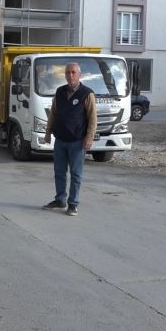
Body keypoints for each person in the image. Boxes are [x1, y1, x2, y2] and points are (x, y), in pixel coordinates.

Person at [41, 62, 97, 216]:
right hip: (60, 141)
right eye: (68, 73)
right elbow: (53, 113)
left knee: (76, 174)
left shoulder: (87, 94)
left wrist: (89, 138)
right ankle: (60, 200)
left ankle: (73, 204)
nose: (70, 75)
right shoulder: (59, 92)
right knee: (59, 172)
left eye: (73, 72)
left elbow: (92, 119)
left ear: (79, 75)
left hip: (77, 142)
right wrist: (47, 134)